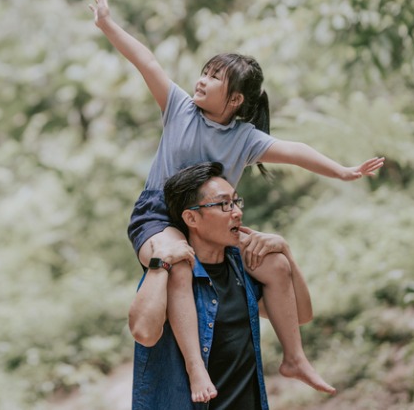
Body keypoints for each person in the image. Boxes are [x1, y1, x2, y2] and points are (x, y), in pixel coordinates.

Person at [90, 0, 384, 401]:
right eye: (204, 72)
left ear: (236, 99)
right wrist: (106, 23)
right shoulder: (178, 107)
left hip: (214, 219)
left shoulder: (245, 139)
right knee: (179, 263)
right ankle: (196, 370)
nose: (201, 80)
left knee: (275, 263)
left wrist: (342, 171)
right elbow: (147, 60)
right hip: (159, 216)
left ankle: (294, 358)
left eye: (214, 78)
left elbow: (296, 152)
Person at [130, 161, 310, 409]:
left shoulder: (241, 270)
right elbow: (143, 333)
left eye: (236, 202)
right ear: (191, 217)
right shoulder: (171, 273)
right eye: (224, 204)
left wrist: (286, 253)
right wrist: (159, 262)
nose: (236, 211)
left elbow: (301, 315)